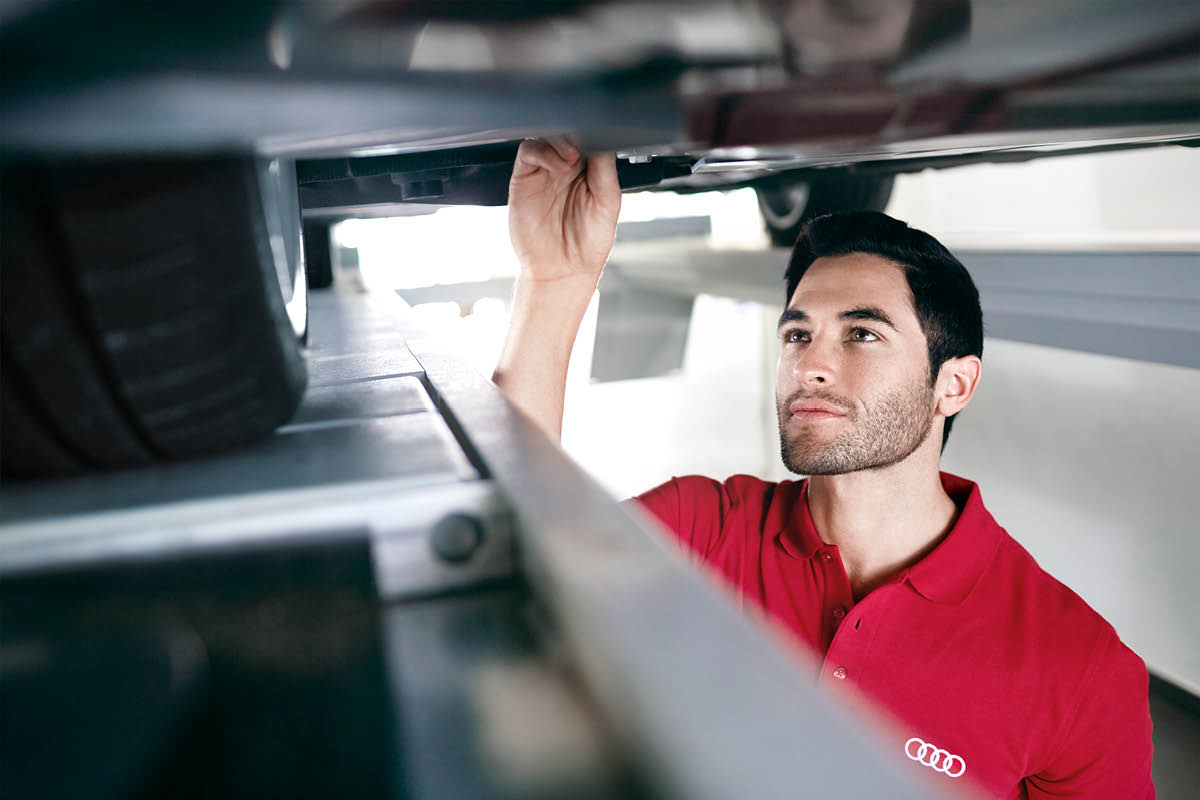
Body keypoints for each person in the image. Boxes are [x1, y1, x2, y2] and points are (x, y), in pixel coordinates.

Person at [494, 137, 1154, 798]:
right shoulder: (701, 529)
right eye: (797, 333)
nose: (809, 363)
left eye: (862, 333)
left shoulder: (1079, 668)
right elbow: (504, 558)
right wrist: (554, 281)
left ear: (953, 385)